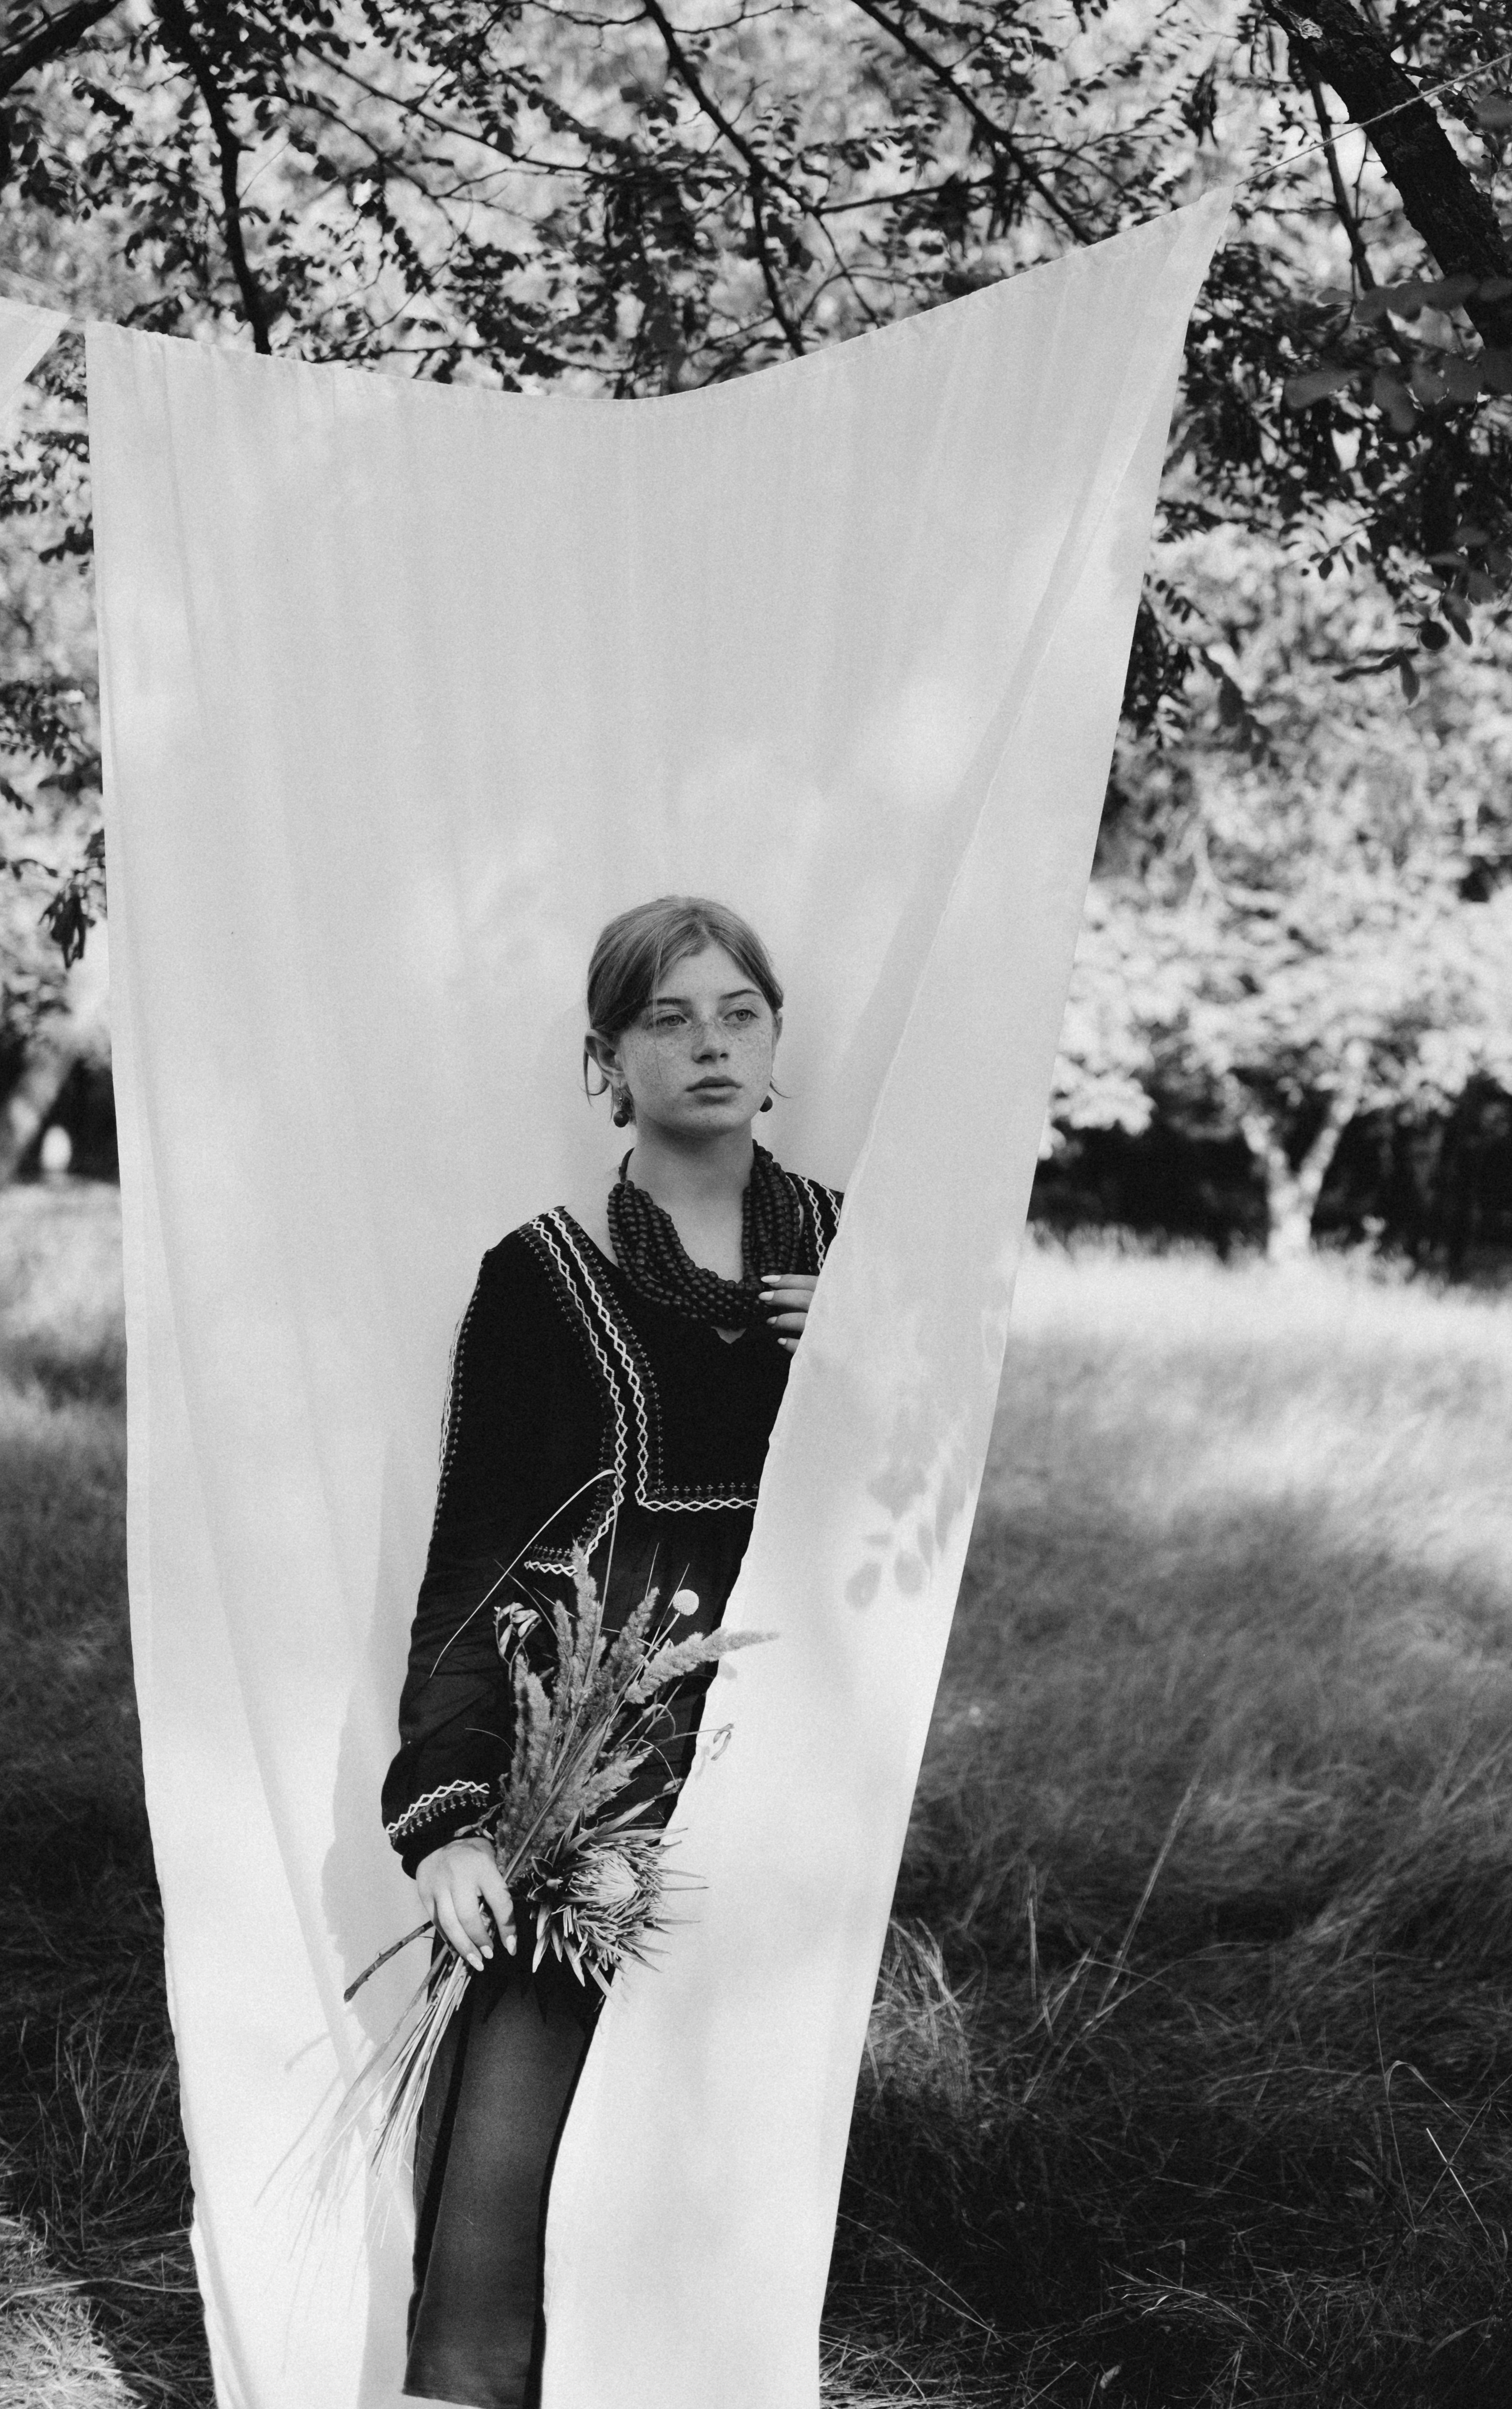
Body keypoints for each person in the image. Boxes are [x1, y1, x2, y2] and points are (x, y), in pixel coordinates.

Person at [379, 895, 840, 2409]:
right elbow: (474, 1567)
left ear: (775, 1047)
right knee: (511, 2172)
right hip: (596, 1783)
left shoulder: (854, 1255)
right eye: (667, 1016)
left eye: (739, 1013)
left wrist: (865, 1364)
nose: (708, 1042)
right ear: (607, 1058)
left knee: (713, 2174)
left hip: (795, 1786)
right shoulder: (545, 1280)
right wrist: (448, 1811)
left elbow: (933, 1519)